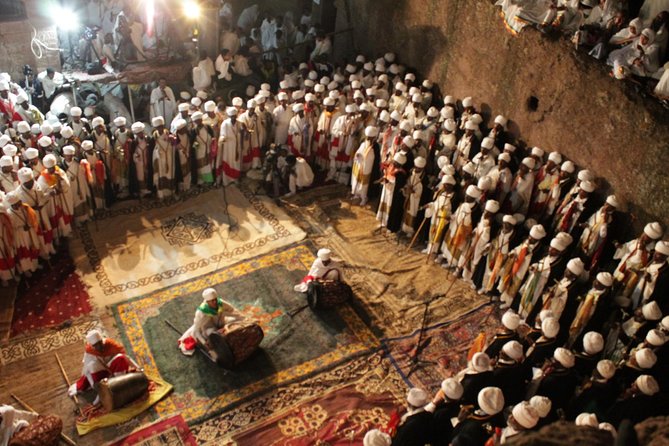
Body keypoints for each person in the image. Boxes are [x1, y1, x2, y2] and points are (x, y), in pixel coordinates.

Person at [69, 329, 138, 403]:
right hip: (102, 373)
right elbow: (87, 371)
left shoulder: (110, 345)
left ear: (102, 341)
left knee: (120, 357)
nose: (99, 347)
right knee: (92, 365)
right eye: (96, 345)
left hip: (114, 370)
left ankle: (120, 384)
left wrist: (137, 368)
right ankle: (101, 392)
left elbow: (126, 357)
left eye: (100, 343)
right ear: (93, 346)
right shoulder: (90, 352)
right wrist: (93, 384)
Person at [178, 288, 246, 357]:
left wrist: (243, 318)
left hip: (221, 323)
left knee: (234, 321)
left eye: (215, 300)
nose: (215, 302)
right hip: (208, 328)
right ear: (207, 302)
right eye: (212, 301)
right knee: (212, 334)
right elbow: (196, 330)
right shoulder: (201, 312)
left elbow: (232, 310)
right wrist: (204, 343)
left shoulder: (220, 303)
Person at [376, 152, 408, 234]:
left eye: (395, 162)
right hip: (386, 190)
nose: (393, 162)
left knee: (391, 210)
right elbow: (387, 175)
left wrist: (388, 180)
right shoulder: (391, 167)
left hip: (393, 195)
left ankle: (390, 226)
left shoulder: (401, 173)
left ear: (399, 164)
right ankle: (383, 222)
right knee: (384, 205)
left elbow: (397, 184)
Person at [351, 126, 379, 206]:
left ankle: (364, 197)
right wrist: (357, 155)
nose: (368, 139)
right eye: (368, 137)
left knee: (364, 184)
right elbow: (359, 150)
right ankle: (356, 194)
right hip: (359, 165)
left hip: (367, 168)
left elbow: (375, 159)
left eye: (370, 137)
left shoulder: (375, 146)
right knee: (356, 180)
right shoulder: (364, 142)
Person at [151, 116, 175, 200]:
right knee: (161, 175)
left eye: (161, 127)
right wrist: (156, 153)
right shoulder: (153, 137)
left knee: (170, 174)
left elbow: (175, 144)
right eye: (158, 127)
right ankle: (161, 194)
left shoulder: (169, 134)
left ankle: (171, 192)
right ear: (155, 128)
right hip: (160, 160)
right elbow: (151, 150)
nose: (160, 129)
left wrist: (173, 142)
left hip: (169, 157)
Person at [218, 107, 243, 186]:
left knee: (236, 162)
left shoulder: (239, 123)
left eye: (234, 116)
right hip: (228, 147)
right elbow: (222, 135)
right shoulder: (225, 124)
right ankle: (227, 180)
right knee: (228, 161)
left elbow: (242, 133)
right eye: (231, 117)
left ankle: (235, 178)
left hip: (236, 146)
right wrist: (222, 138)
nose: (233, 118)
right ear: (229, 116)